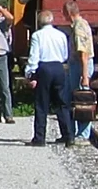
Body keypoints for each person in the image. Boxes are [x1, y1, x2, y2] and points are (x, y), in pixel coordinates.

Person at [25, 9, 74, 146]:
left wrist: (30, 73)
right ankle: (68, 135)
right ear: (52, 20)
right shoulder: (61, 35)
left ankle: (40, 138)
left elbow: (34, 56)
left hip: (44, 68)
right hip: (59, 68)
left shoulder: (37, 36)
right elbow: (65, 55)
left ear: (39, 22)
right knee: (61, 103)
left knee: (42, 104)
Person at [64, 1, 95, 139]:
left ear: (68, 12)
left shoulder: (79, 27)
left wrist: (85, 75)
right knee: (75, 99)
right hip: (78, 65)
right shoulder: (80, 24)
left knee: (82, 100)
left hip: (80, 65)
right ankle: (76, 132)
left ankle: (83, 134)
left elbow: (83, 53)